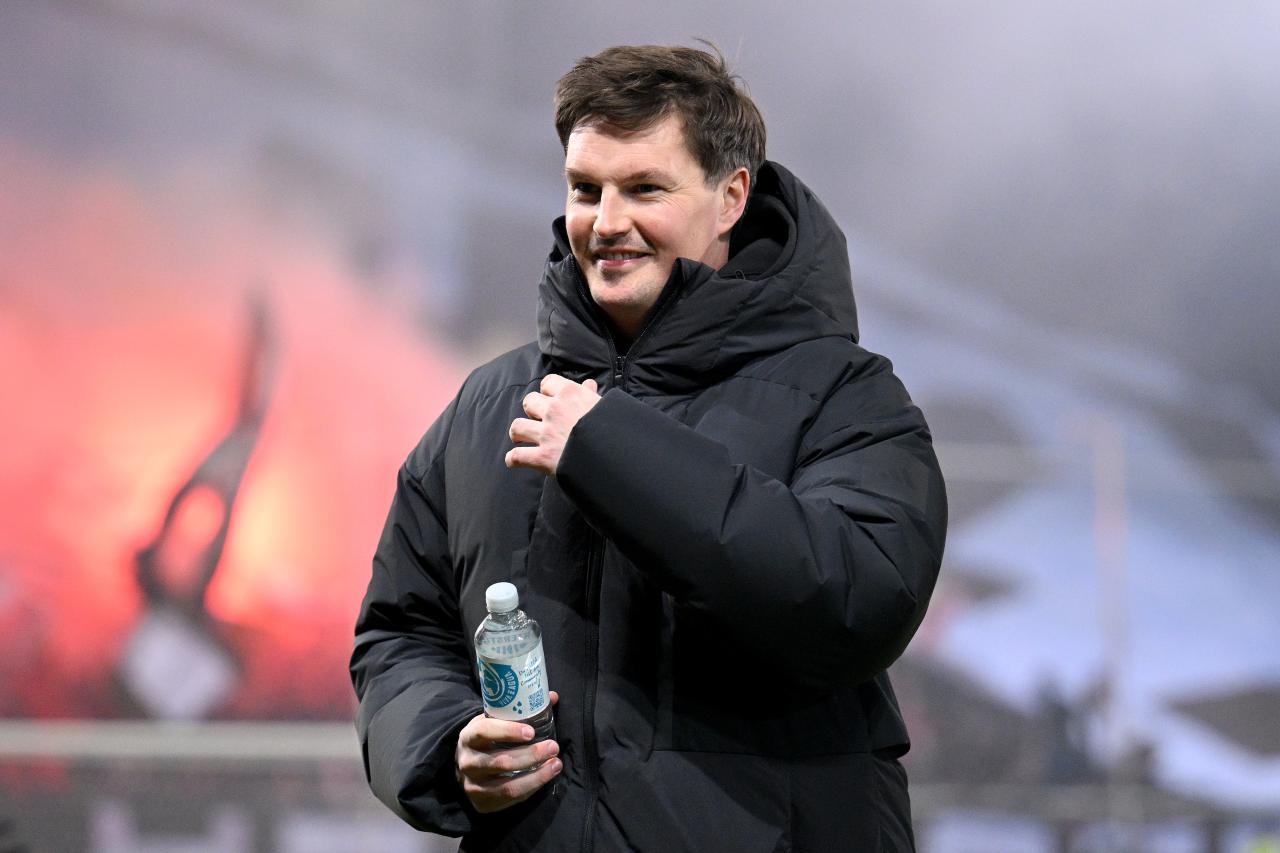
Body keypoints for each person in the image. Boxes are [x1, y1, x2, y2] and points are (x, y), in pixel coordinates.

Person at [351, 44, 947, 852]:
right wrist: (444, 742)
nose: (606, 222)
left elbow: (857, 602)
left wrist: (610, 451)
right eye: (585, 189)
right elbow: (401, 628)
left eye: (644, 189)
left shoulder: (844, 395)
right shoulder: (486, 406)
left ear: (731, 196)